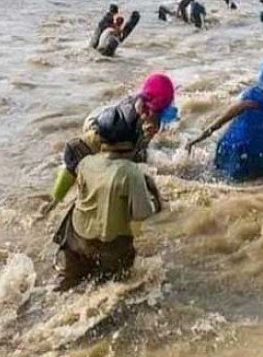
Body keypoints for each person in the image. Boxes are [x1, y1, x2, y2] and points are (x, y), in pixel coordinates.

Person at [45, 73, 176, 290]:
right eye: (155, 113)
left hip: (85, 222)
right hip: (102, 149)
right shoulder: (119, 122)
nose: (156, 120)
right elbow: (73, 151)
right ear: (145, 107)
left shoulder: (148, 118)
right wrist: (55, 200)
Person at [186, 57, 263, 182]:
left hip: (236, 153)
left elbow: (235, 110)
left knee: (219, 180)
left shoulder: (252, 97)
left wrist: (207, 132)